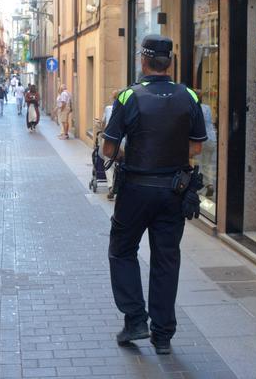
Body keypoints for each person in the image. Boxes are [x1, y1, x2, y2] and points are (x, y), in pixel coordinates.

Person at [100, 35, 207, 355]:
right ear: (169, 63)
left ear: (142, 61)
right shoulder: (189, 96)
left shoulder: (128, 97)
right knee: (166, 259)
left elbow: (108, 148)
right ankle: (163, 335)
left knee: (122, 251)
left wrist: (131, 155)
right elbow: (197, 145)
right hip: (174, 190)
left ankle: (135, 320)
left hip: (135, 189)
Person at [102, 89, 120, 200]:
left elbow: (104, 124)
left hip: (110, 140)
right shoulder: (127, 108)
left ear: (113, 98)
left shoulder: (109, 108)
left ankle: (111, 187)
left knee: (108, 162)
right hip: (123, 140)